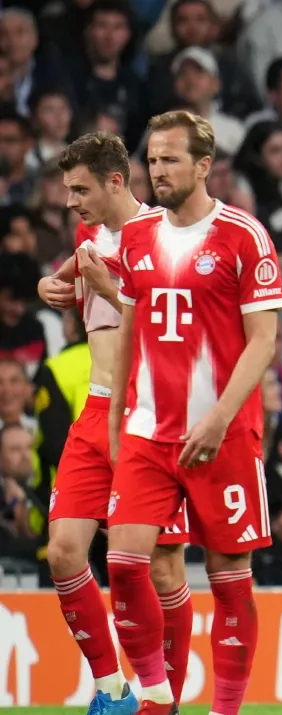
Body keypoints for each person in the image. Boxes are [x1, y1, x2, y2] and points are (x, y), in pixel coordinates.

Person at [105, 111, 282, 715]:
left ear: (204, 165)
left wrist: (218, 420)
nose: (156, 171)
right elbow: (129, 330)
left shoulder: (243, 235)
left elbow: (263, 340)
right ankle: (157, 700)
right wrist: (116, 421)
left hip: (224, 435)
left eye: (170, 160)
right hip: (148, 434)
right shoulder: (136, 236)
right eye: (152, 160)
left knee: (231, 582)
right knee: (125, 564)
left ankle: (225, 711)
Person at [34, 131, 193, 715]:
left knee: (162, 563)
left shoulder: (166, 237)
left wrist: (113, 289)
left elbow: (184, 329)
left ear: (116, 182)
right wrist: (49, 283)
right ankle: (112, 691)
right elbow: (65, 274)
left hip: (152, 415)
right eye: (68, 190)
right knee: (64, 552)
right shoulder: (89, 235)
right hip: (98, 409)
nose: (71, 201)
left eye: (81, 190)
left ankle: (163, 700)